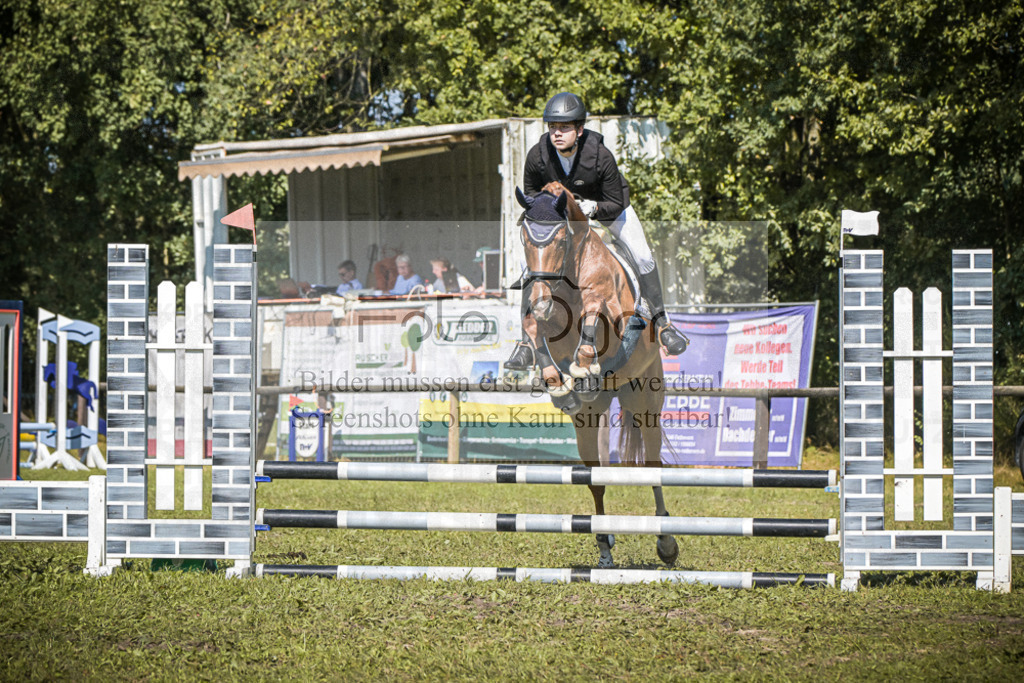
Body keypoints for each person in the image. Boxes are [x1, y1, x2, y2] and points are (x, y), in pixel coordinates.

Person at [505, 91, 689, 370]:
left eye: (564, 128)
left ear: (579, 130)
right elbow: (534, 201)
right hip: (563, 217)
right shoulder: (537, 156)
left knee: (641, 255)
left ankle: (663, 324)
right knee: (527, 264)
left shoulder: (600, 156)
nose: (557, 133)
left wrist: (592, 208)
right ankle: (525, 343)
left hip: (607, 209)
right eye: (552, 127)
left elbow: (616, 202)